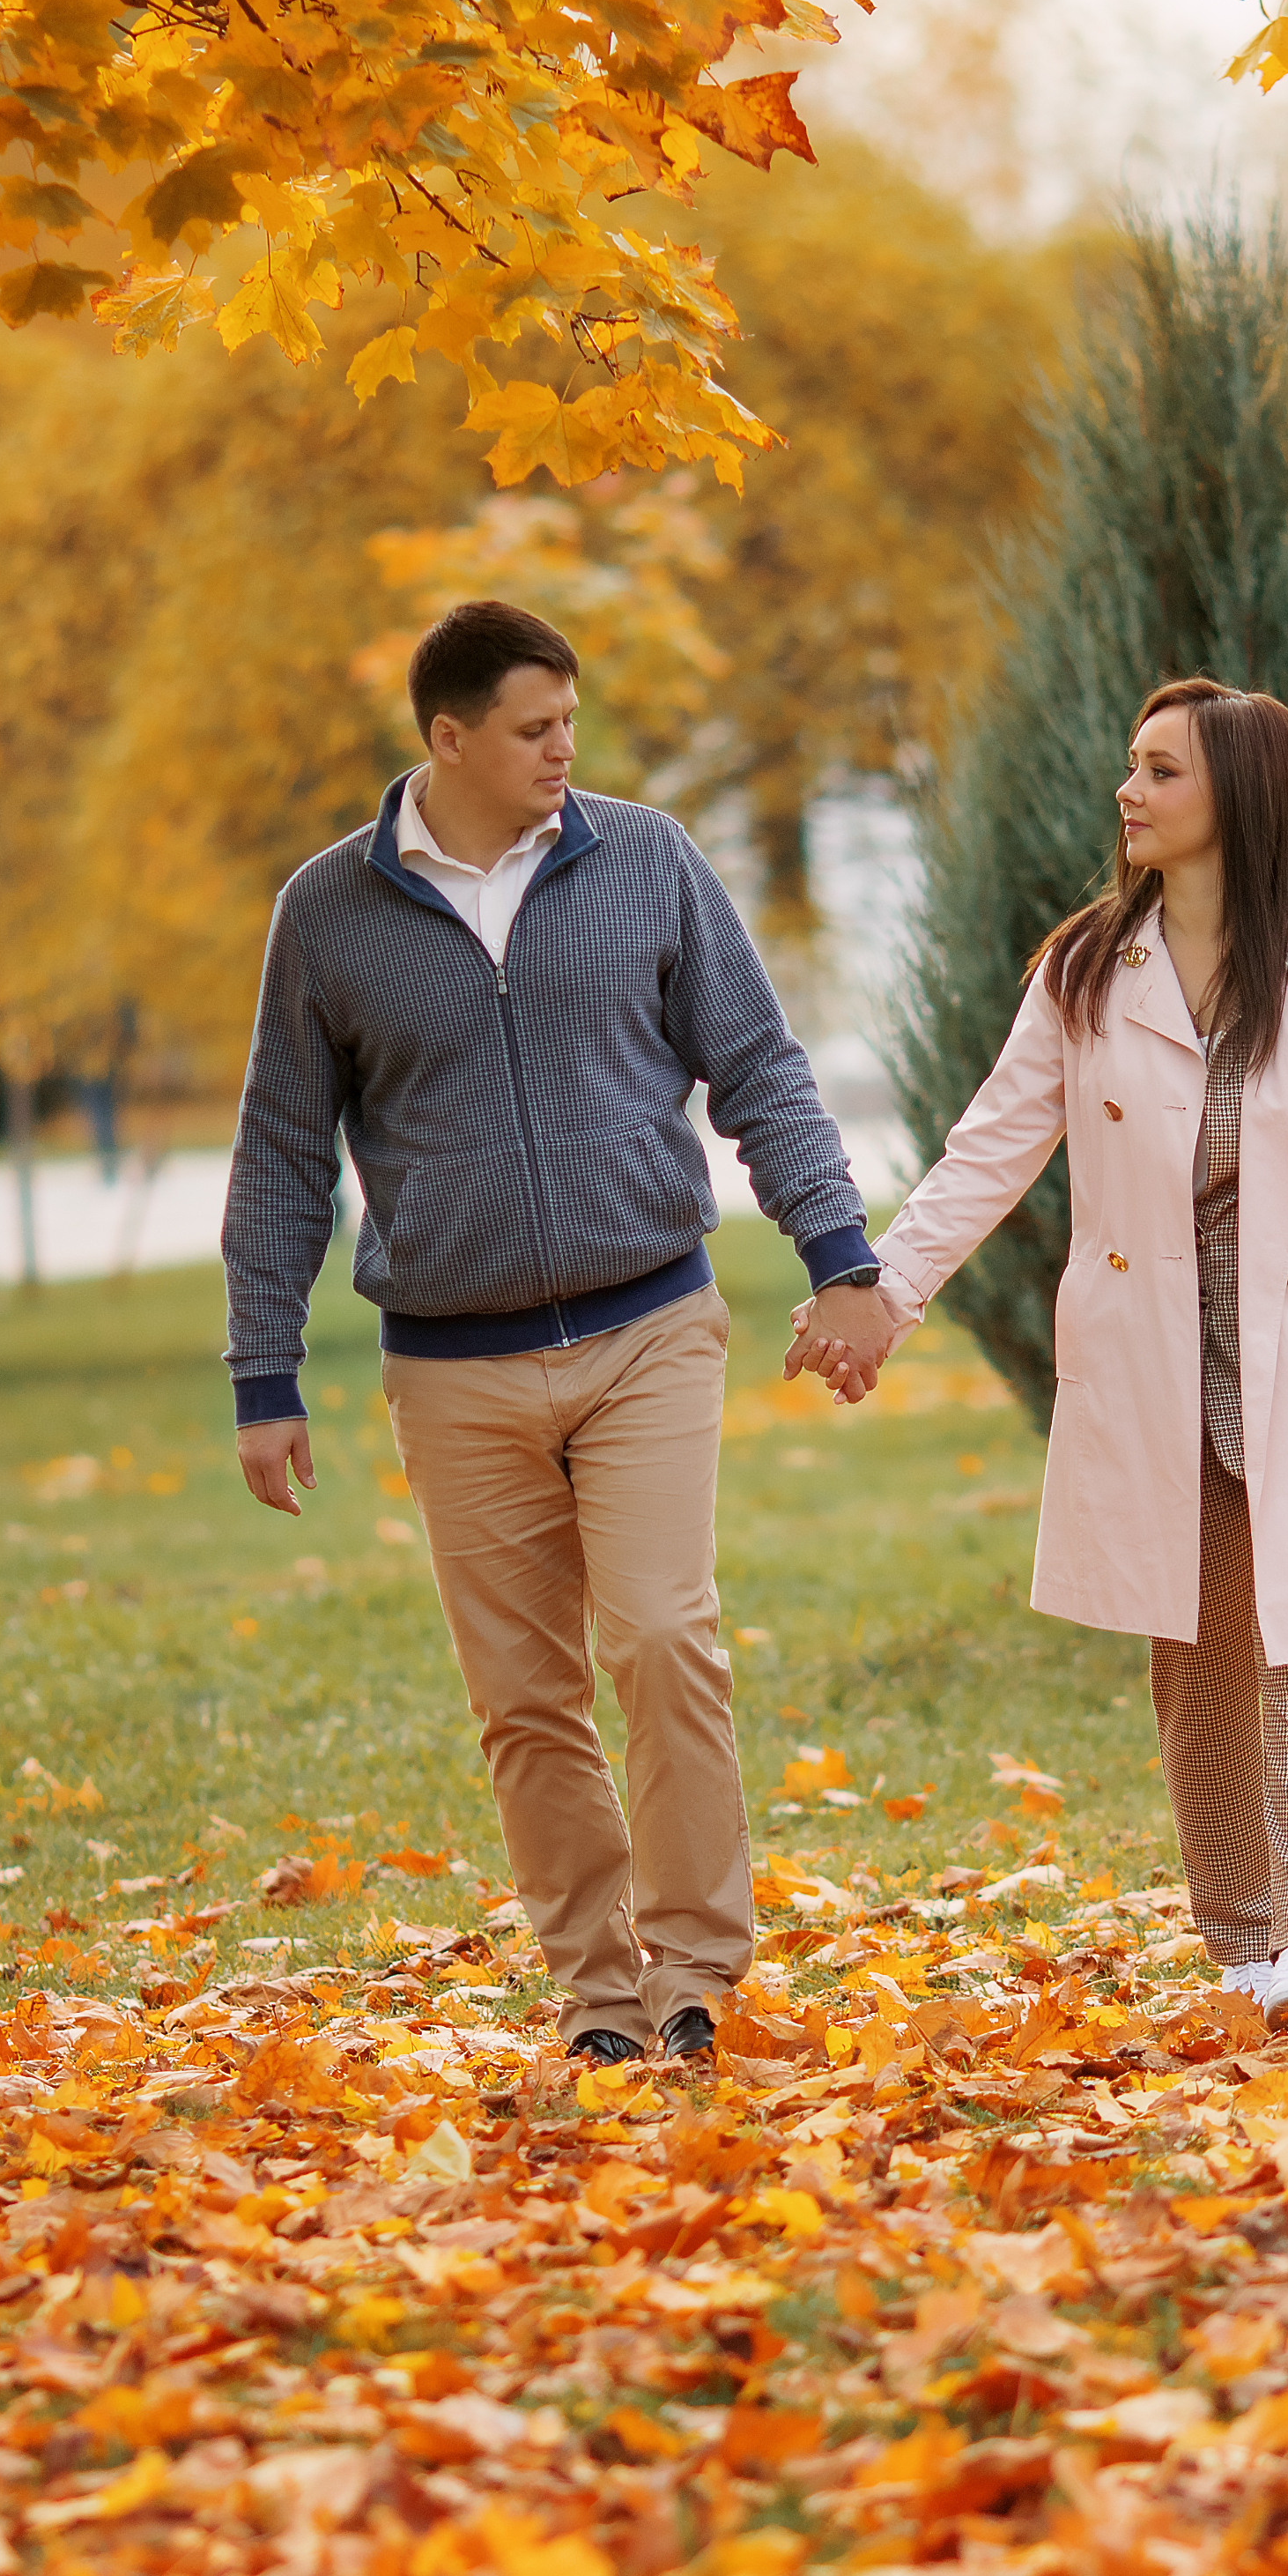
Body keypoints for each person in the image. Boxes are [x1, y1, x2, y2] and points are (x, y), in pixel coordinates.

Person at [225, 599, 889, 2066]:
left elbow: (758, 1069)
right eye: (533, 729)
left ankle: (696, 1973)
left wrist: (842, 1257)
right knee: (525, 1702)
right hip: (451, 1366)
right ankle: (597, 1995)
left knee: (660, 1634)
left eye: (570, 722)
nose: (562, 750)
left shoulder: (644, 859)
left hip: (648, 1324)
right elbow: (280, 1150)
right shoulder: (327, 914)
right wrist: (263, 1371)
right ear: (447, 738)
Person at [788, 675, 1288, 2033]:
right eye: (1132, 765)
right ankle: (1238, 1946)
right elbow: (987, 1149)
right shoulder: (1088, 970)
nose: (1128, 791)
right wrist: (882, 1294)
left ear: (1242, 795)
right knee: (1197, 1655)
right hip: (1155, 1365)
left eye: (1161, 770)